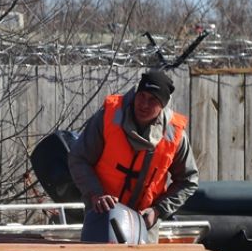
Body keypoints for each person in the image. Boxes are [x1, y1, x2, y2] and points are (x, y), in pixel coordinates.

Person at [67, 68, 199, 241]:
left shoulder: (175, 135)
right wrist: (96, 194)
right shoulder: (108, 117)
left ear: (162, 106)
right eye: (142, 96)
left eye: (152, 100)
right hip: (103, 215)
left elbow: (188, 181)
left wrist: (158, 211)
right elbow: (78, 158)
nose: (144, 104)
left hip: (144, 223)